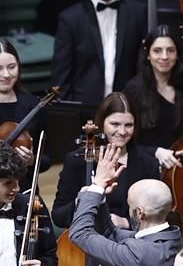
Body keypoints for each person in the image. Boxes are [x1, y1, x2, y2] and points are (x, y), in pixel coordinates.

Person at [51, 0, 147, 106]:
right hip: (85, 110)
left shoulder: (137, 12)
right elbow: (61, 76)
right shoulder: (70, 19)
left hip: (128, 107)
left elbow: (144, 66)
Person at [52, 92, 162, 229]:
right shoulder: (77, 161)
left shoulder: (148, 163)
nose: (122, 131)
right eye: (115, 124)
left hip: (131, 242)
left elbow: (157, 214)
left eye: (128, 125)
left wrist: (127, 222)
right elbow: (58, 217)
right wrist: (85, 197)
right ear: (102, 123)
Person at [122, 25, 183, 161]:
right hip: (146, 163)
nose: (164, 56)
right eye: (157, 51)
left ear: (177, 54)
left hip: (182, 164)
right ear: (148, 55)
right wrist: (155, 152)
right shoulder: (133, 89)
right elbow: (124, 138)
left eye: (170, 50)